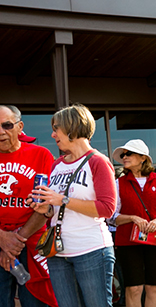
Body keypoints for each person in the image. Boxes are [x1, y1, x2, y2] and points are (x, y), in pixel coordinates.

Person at [29, 104, 117, 307]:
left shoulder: (98, 162)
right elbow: (56, 210)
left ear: (72, 129)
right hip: (57, 252)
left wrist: (62, 200)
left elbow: (107, 209)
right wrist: (46, 208)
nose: (52, 135)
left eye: (56, 129)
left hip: (92, 250)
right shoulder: (57, 165)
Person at [0, 105, 56, 307]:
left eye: (6, 125)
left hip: (32, 242)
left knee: (35, 302)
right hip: (1, 240)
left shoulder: (41, 155)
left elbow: (46, 205)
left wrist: (16, 241)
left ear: (19, 126)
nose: (1, 132)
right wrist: (3, 238)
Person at [112, 140, 156, 307]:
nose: (124, 157)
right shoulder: (118, 183)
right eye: (123, 154)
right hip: (127, 242)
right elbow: (111, 216)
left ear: (142, 158)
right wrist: (132, 218)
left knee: (153, 287)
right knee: (133, 289)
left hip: (154, 241)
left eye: (128, 154)